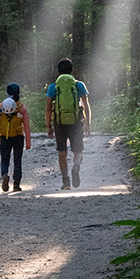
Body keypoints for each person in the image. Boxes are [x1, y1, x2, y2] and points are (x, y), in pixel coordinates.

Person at [46, 57, 90, 190]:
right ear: (72, 70)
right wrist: (87, 123)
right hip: (76, 122)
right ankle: (76, 166)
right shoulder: (79, 85)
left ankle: (65, 182)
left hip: (59, 122)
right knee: (78, 151)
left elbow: (48, 108)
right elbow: (86, 105)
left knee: (62, 153)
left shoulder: (53, 87)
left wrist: (49, 125)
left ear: (58, 71)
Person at [0, 82, 31, 192]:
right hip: (18, 137)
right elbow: (26, 126)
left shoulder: (1, 107)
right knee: (17, 160)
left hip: (4, 137)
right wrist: (28, 142)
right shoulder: (22, 108)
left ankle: (4, 175)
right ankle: (16, 184)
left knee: (4, 160)